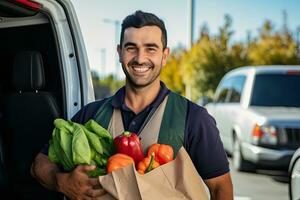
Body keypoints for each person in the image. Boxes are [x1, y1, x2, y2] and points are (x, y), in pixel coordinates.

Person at [31, 10, 233, 200]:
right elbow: (39, 164)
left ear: (164, 55)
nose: (140, 58)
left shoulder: (193, 118)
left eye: (150, 49)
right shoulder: (92, 115)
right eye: (131, 48)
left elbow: (220, 188)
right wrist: (61, 181)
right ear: (119, 53)